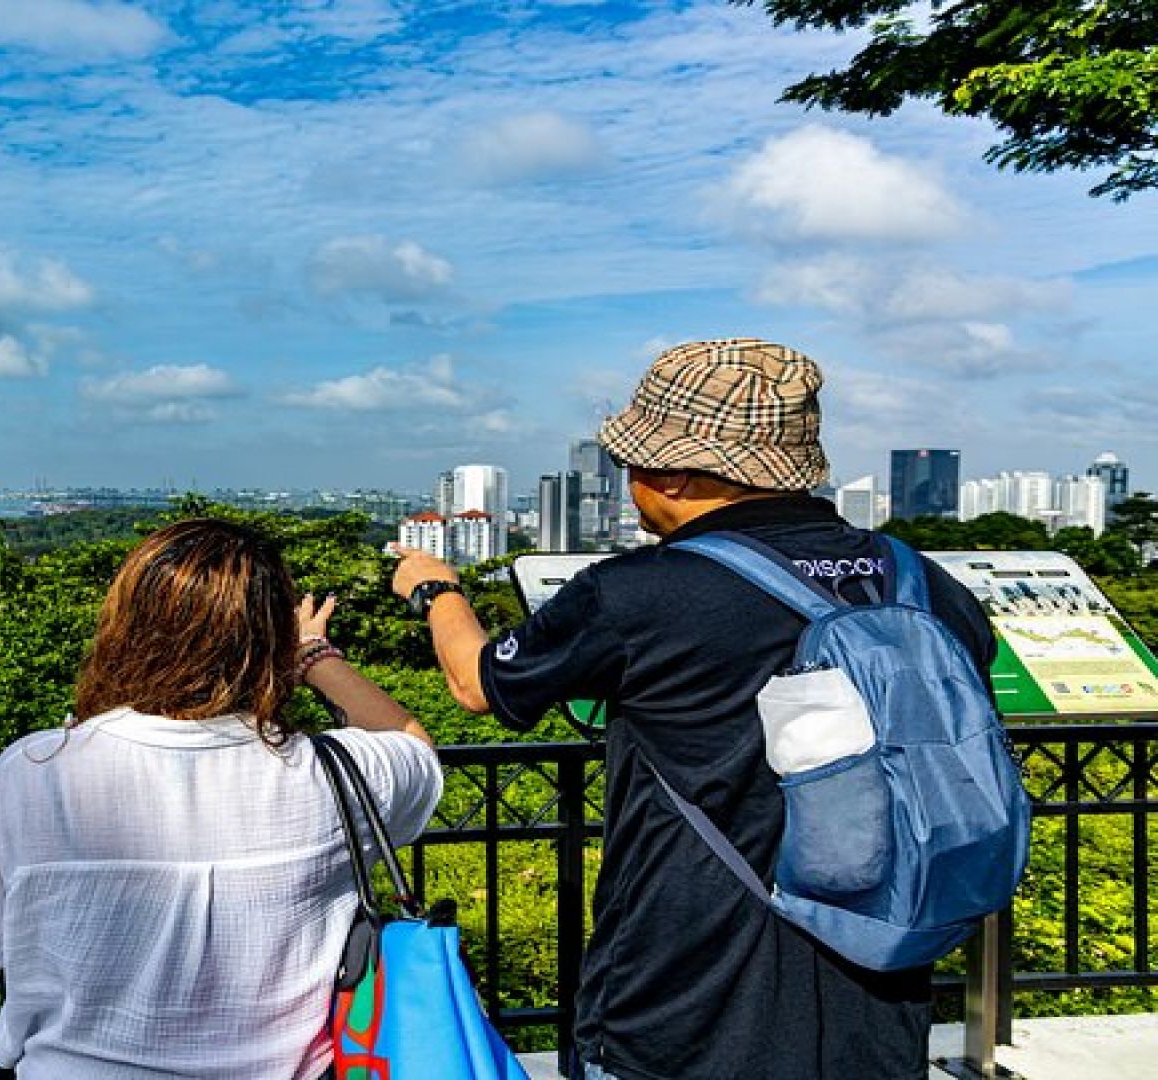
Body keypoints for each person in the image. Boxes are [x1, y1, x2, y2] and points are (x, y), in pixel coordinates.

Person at [391, 339, 996, 1079]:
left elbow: (477, 684)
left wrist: (435, 589)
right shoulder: (921, 580)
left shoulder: (639, 592)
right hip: (878, 982)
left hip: (683, 995)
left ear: (673, 471)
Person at [0, 518, 444, 1079]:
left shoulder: (33, 773)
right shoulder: (330, 776)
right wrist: (316, 655)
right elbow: (414, 749)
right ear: (271, 643)